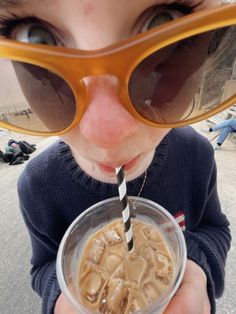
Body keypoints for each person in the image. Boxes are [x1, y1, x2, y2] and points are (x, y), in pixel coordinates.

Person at [0, 1, 234, 314]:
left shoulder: (197, 156)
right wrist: (60, 298)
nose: (107, 135)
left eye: (161, 25)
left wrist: (197, 268)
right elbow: (44, 266)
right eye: (37, 37)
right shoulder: (39, 186)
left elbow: (214, 228)